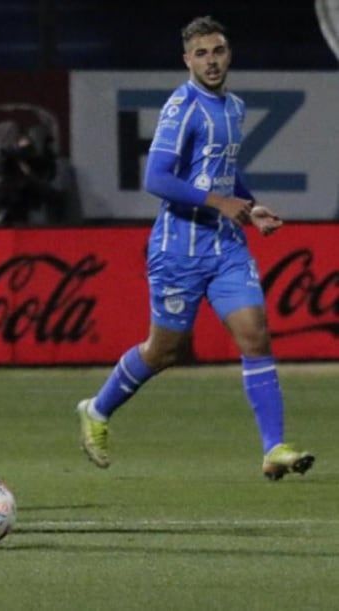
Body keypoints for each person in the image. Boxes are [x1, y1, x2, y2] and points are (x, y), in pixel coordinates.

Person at [74, 16, 314, 480]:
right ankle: (97, 410)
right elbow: (156, 178)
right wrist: (220, 201)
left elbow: (224, 170)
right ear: (186, 60)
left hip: (225, 245)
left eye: (218, 50)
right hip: (178, 251)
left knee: (255, 334)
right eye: (200, 53)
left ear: (229, 53)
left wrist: (249, 204)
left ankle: (273, 448)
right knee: (164, 351)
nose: (211, 61)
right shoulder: (181, 108)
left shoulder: (235, 107)